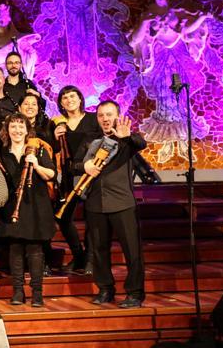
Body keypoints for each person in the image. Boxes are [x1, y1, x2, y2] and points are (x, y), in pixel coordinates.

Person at [79, 101, 147, 308]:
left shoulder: (126, 140)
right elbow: (74, 164)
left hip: (122, 202)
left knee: (132, 250)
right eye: (101, 115)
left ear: (117, 116)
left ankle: (135, 293)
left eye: (109, 115)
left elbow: (140, 143)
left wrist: (128, 137)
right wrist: (85, 164)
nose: (105, 119)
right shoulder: (91, 139)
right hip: (95, 203)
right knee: (99, 250)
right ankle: (105, 289)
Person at [0, 114, 56, 307]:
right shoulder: (2, 152)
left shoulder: (37, 149)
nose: (17, 130)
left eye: (20, 126)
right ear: (7, 130)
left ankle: (37, 293)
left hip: (35, 205)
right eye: (13, 126)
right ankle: (17, 291)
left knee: (35, 250)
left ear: (27, 129)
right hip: (12, 205)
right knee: (15, 249)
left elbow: (51, 174)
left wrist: (35, 163)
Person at [51, 85, 100, 273]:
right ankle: (78, 255)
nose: (69, 100)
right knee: (63, 217)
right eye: (64, 98)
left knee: (92, 217)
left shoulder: (92, 119)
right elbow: (54, 150)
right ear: (61, 103)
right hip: (68, 176)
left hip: (90, 175)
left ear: (80, 99)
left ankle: (90, 259)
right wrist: (54, 138)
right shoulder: (57, 124)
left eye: (72, 96)